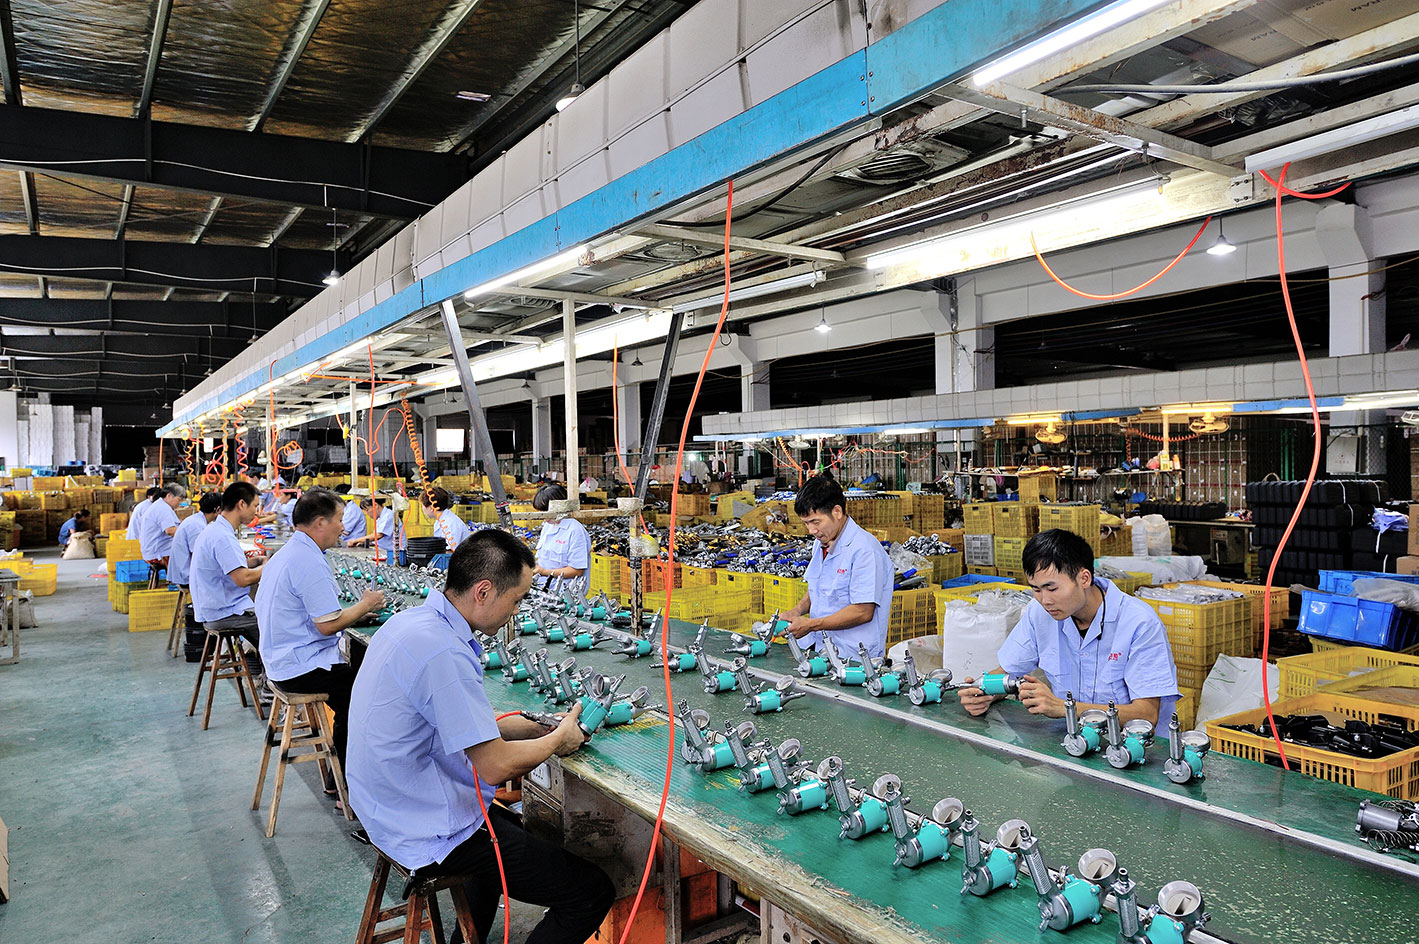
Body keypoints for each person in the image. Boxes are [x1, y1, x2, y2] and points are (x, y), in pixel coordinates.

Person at [347, 531, 614, 943]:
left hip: (383, 806)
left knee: (509, 834)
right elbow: (494, 767)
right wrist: (558, 741)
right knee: (591, 892)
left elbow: (457, 722)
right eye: (516, 599)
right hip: (421, 827)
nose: (517, 611)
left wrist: (537, 726)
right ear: (484, 591)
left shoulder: (412, 623)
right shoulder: (443, 652)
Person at [956, 528, 1180, 728]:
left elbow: (1146, 714)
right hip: (1073, 739)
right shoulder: (1039, 615)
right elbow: (1007, 671)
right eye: (1036, 589)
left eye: (1052, 589)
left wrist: (1063, 707)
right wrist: (984, 692)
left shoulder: (1140, 624)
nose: (1045, 600)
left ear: (1084, 578)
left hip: (1132, 747)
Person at [256, 488, 384, 771]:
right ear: (320, 522)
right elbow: (327, 625)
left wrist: (355, 614)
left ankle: (339, 777)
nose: (343, 527)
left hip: (279, 661)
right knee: (367, 692)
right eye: (339, 519)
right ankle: (348, 780)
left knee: (358, 678)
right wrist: (365, 604)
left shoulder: (289, 552)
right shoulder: (308, 561)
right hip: (300, 669)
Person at [782, 476, 893, 660]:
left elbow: (863, 611)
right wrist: (797, 611)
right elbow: (820, 587)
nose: (811, 530)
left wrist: (811, 625)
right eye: (806, 523)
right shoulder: (822, 542)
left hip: (854, 657)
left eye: (816, 522)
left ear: (837, 511)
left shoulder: (865, 550)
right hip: (822, 648)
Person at [189, 481, 266, 657]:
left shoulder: (215, 530)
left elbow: (226, 568)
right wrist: (268, 568)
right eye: (255, 506)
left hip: (213, 607)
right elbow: (243, 579)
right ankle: (264, 671)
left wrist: (254, 562)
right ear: (241, 504)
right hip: (224, 613)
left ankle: (259, 665)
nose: (256, 511)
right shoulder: (222, 537)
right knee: (277, 626)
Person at [532, 484, 590, 597]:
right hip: (544, 588)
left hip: (566, 594)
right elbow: (544, 560)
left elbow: (577, 570)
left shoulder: (575, 530)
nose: (545, 517)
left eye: (546, 511)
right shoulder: (548, 526)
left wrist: (544, 572)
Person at [168, 493, 221, 589]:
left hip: (185, 570)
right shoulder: (196, 526)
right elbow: (199, 555)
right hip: (187, 575)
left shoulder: (196, 520)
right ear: (217, 510)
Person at [140, 483, 187, 566]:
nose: (180, 503)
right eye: (179, 500)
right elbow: (170, 531)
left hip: (153, 550)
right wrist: (188, 533)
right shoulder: (163, 509)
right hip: (159, 553)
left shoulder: (162, 505)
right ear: (169, 496)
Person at [421, 486, 469, 552]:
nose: (422, 509)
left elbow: (450, 552)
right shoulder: (440, 520)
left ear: (431, 508)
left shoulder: (450, 523)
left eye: (422, 505)